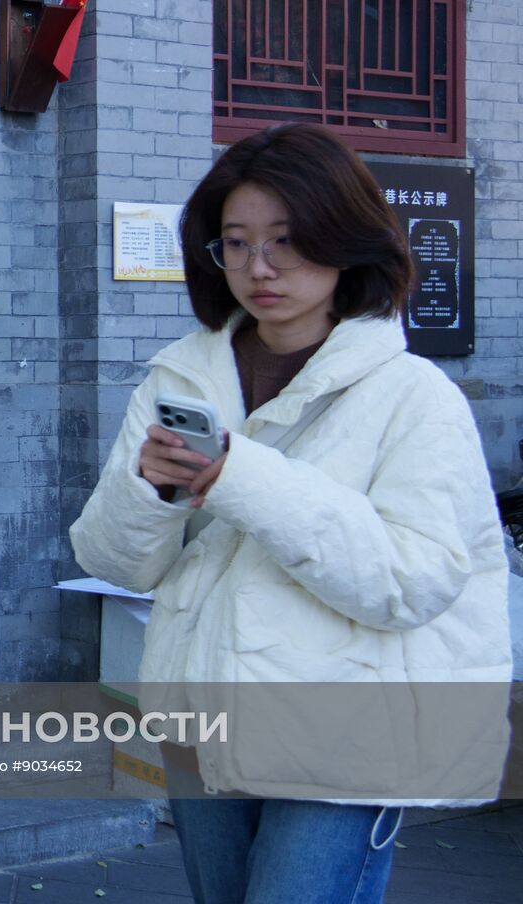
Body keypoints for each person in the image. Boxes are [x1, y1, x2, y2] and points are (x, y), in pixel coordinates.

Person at [70, 124, 511, 903]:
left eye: (286, 241)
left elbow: (412, 580)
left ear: (345, 239)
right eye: (234, 244)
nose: (258, 268)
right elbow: (114, 563)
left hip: (344, 734)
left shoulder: (415, 398)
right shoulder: (182, 376)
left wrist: (240, 478)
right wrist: (148, 490)